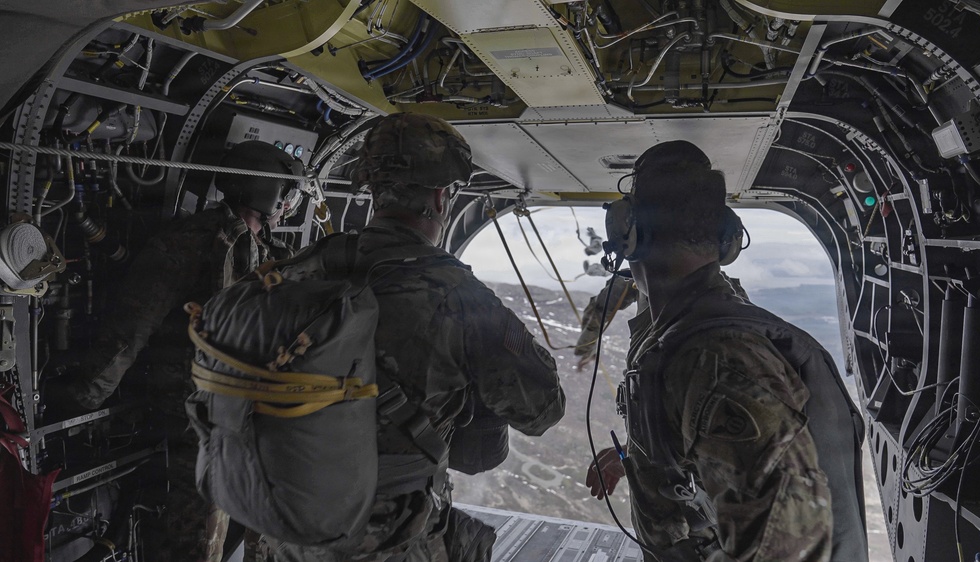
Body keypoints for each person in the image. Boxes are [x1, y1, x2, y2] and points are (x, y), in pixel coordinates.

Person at [261, 112, 566, 562]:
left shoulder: (289, 272)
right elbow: (541, 410)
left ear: (372, 187)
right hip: (386, 535)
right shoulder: (458, 295)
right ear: (442, 197)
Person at [586, 141, 866, 562]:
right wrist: (636, 453)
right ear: (726, 240)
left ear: (627, 234)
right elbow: (702, 442)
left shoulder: (722, 362)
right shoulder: (686, 328)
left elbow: (791, 549)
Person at [47, 140, 303, 562]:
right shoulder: (196, 244)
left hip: (237, 424)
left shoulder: (260, 253)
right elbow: (129, 333)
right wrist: (81, 401)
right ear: (267, 191)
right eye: (287, 192)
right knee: (198, 543)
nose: (289, 204)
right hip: (208, 426)